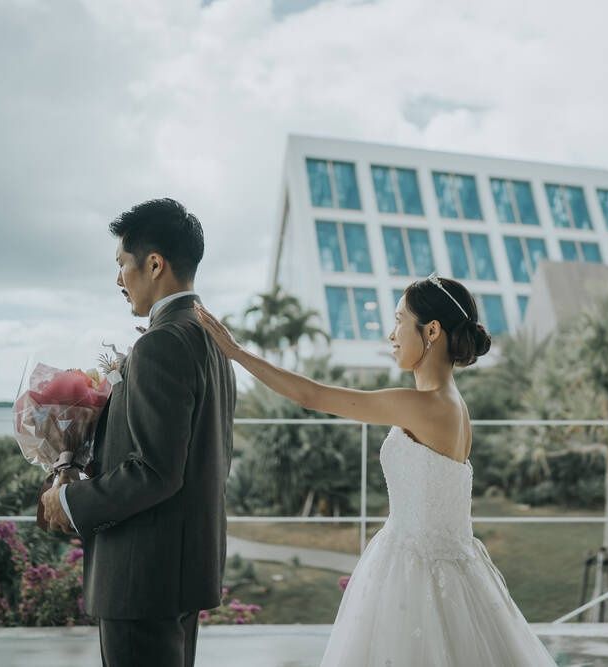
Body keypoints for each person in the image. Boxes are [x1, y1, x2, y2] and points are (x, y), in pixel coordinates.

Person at [195, 273, 558, 666]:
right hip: (452, 564)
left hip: (414, 572)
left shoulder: (425, 405)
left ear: (432, 331)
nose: (392, 334)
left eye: (400, 321)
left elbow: (312, 396)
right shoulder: (452, 404)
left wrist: (236, 352)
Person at [40, 198, 236, 667]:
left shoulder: (161, 343)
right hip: (182, 569)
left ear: (154, 264)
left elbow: (155, 470)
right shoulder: (213, 339)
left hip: (142, 576)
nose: (118, 279)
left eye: (121, 263)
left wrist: (67, 500)